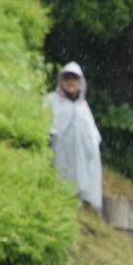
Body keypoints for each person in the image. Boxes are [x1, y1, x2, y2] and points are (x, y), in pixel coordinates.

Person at [46, 62, 102, 212]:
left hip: (80, 158)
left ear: (80, 82)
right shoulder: (51, 100)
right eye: (67, 78)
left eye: (74, 78)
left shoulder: (83, 107)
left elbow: (93, 136)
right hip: (59, 154)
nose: (70, 82)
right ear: (61, 80)